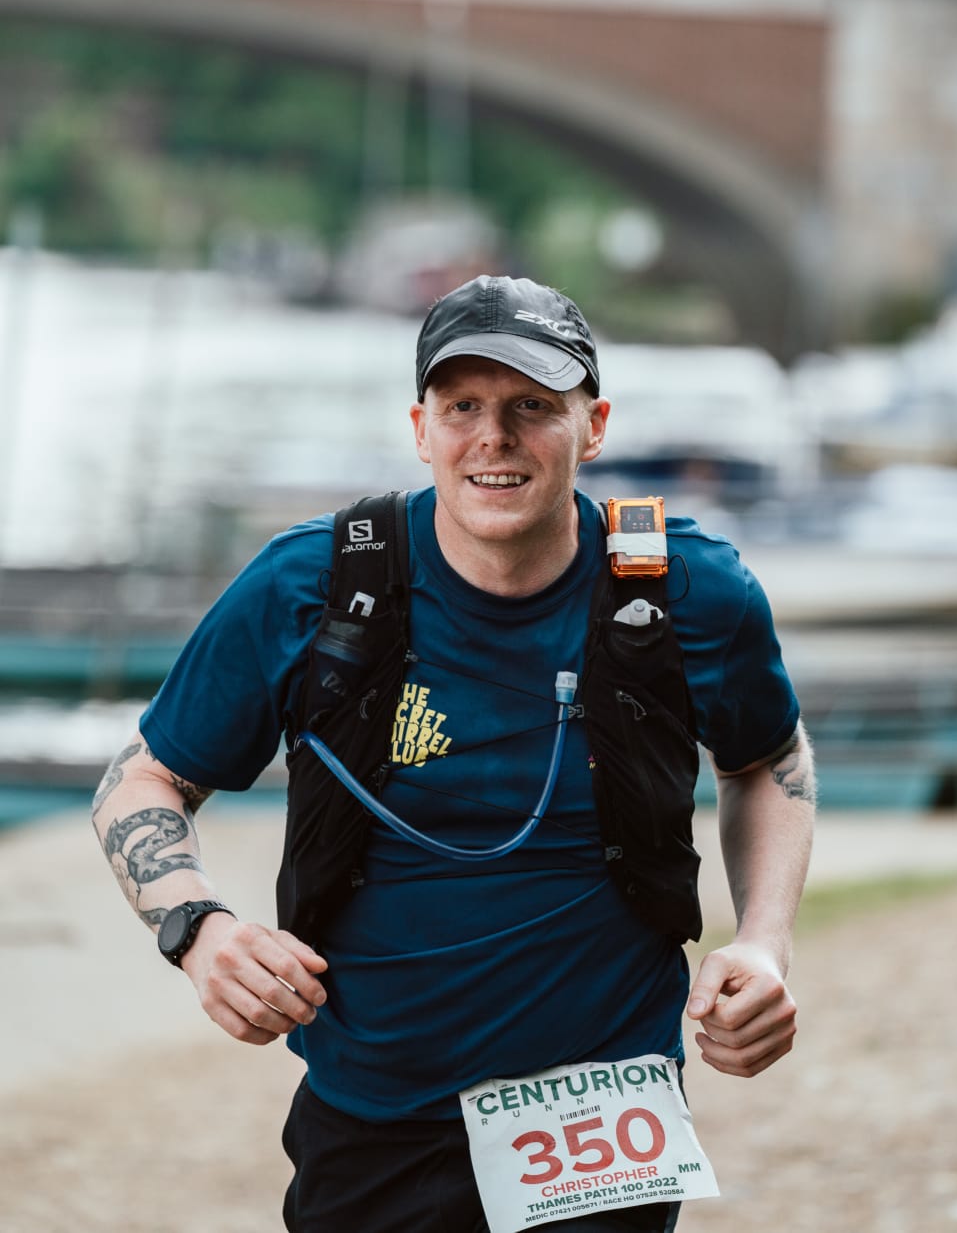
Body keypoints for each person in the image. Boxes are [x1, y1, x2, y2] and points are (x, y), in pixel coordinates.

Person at [92, 273, 815, 1233]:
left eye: (533, 407)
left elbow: (766, 759)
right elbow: (142, 779)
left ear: (594, 426)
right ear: (420, 428)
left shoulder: (689, 587)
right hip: (375, 1106)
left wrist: (763, 942)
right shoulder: (310, 582)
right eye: (462, 405)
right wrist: (199, 930)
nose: (493, 437)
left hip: (605, 1110)